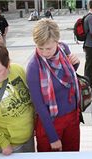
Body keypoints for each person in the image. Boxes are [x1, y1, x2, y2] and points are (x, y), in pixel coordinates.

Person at [26, 19, 81, 152]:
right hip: (50, 122)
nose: (44, 52)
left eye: (49, 48)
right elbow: (39, 106)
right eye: (40, 48)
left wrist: (76, 64)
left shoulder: (63, 48)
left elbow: (67, 78)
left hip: (72, 117)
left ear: (57, 41)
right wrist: (52, 137)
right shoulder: (33, 67)